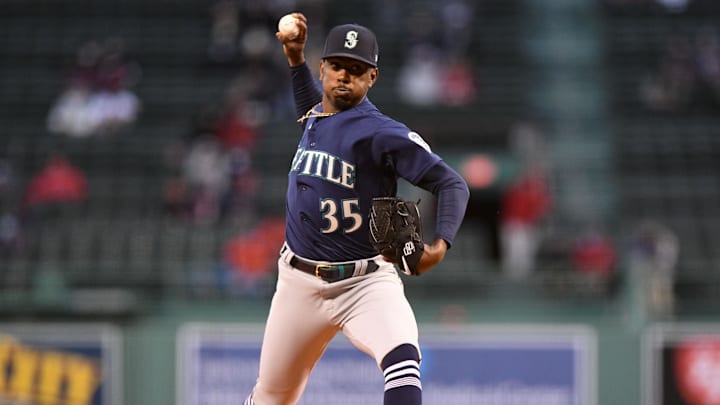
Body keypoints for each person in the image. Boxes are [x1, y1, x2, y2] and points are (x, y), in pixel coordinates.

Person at [243, 13, 470, 405]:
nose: (344, 76)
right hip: (298, 283)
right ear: (324, 69)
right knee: (270, 397)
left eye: (356, 69)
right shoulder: (318, 114)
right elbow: (311, 109)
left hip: (365, 283)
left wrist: (441, 244)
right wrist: (295, 57)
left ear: (372, 78)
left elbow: (451, 182)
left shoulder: (381, 132)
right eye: (336, 67)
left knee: (403, 361)